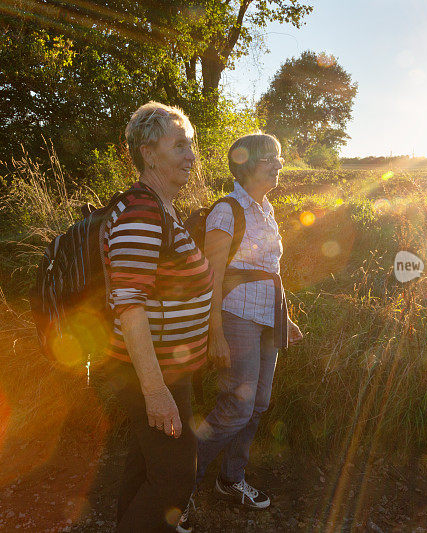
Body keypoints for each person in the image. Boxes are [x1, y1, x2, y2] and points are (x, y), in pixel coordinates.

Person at [103, 101, 213, 532]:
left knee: (146, 463)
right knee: (174, 477)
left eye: (192, 146)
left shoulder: (162, 208)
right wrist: (154, 391)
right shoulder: (143, 213)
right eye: (181, 145)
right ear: (149, 153)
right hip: (150, 372)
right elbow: (129, 304)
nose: (191, 156)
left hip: (165, 368)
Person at [194, 133, 303, 512]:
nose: (279, 164)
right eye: (270, 158)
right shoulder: (228, 210)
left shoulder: (266, 209)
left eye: (279, 156)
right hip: (236, 315)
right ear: (247, 164)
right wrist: (215, 332)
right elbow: (212, 274)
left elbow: (270, 269)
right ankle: (178, 479)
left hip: (267, 317)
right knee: (236, 407)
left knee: (258, 403)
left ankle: (231, 478)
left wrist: (284, 318)